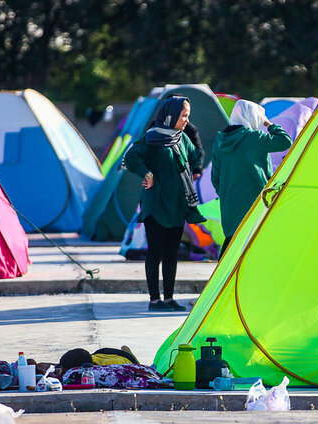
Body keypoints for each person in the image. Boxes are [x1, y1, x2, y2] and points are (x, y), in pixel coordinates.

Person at [124, 97, 205, 312]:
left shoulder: (182, 139)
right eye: (183, 116)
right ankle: (154, 300)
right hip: (156, 205)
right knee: (155, 253)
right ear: (170, 116)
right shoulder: (152, 138)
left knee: (171, 253)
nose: (186, 120)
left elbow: (195, 156)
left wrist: (195, 170)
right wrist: (147, 173)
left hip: (177, 206)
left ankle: (168, 299)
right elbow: (131, 156)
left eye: (187, 116)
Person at [211, 99, 292, 257]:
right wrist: (269, 124)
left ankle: (224, 280)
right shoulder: (254, 138)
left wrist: (227, 194)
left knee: (231, 246)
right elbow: (285, 141)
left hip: (230, 204)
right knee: (255, 249)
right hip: (255, 202)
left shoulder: (220, 141)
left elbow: (215, 178)